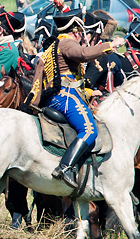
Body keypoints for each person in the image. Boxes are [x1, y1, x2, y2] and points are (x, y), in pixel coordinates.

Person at [28, 10, 125, 187]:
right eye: (81, 33)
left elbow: (69, 79)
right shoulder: (66, 43)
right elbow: (82, 54)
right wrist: (111, 45)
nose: (83, 36)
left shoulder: (59, 43)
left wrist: (88, 93)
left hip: (63, 95)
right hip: (64, 97)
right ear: (76, 31)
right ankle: (65, 167)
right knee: (89, 130)